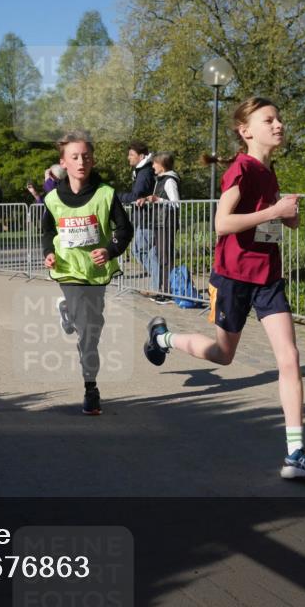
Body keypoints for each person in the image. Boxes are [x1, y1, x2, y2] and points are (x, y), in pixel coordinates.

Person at [142, 97, 305, 480]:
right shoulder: (242, 169)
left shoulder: (269, 171)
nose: (279, 124)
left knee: (290, 357)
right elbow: (222, 223)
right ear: (247, 131)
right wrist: (273, 212)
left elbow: (264, 226)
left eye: (280, 118)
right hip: (233, 277)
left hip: (268, 277)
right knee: (223, 355)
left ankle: (295, 455)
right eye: (269, 120)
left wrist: (286, 220)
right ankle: (162, 338)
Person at [42, 130, 133, 416]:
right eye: (75, 157)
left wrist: (109, 250)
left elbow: (124, 229)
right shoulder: (53, 198)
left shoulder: (106, 194)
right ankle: (91, 389)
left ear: (92, 161)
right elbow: (47, 230)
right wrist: (48, 252)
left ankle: (68, 311)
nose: (81, 161)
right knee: (86, 328)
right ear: (63, 162)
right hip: (68, 268)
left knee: (94, 326)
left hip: (96, 271)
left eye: (86, 157)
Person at [134, 152, 181, 304]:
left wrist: (158, 199)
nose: (152, 166)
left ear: (162, 165)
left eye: (155, 163)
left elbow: (176, 203)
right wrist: (149, 199)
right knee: (160, 256)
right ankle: (163, 289)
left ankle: (167, 292)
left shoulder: (169, 181)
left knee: (165, 257)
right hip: (159, 222)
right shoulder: (160, 180)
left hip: (166, 223)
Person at [117, 141, 157, 291]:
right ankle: (158, 283)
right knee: (149, 252)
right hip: (146, 217)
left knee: (138, 250)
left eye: (131, 155)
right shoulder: (142, 171)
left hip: (148, 218)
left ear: (141, 156)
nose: (129, 157)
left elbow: (136, 195)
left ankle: (159, 281)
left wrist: (117, 196)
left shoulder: (145, 172)